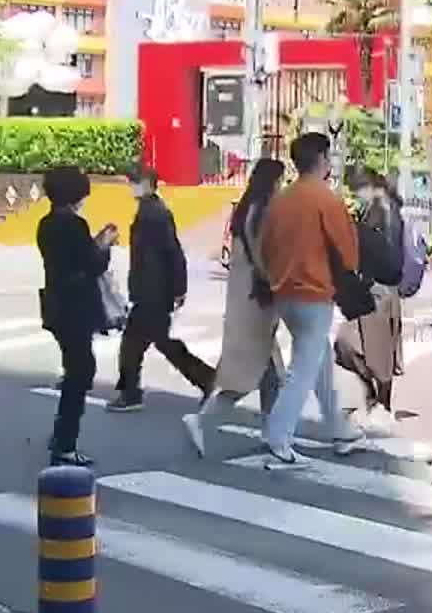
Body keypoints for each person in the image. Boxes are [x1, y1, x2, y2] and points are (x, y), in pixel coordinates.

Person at [258, 133, 363, 467]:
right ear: (321, 158)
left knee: (318, 364)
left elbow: (266, 248)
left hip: (283, 292)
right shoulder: (326, 199)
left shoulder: (281, 200)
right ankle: (278, 435)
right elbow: (348, 252)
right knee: (303, 370)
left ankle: (340, 428)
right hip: (315, 293)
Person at [181, 158, 287, 457]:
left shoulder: (247, 211)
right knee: (245, 377)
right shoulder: (260, 214)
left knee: (272, 375)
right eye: (280, 181)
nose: (282, 187)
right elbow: (263, 261)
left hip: (248, 302)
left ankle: (273, 433)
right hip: (255, 305)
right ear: (271, 182)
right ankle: (202, 420)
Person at [109, 165, 215, 412]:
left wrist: (178, 288)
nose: (131, 186)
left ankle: (131, 394)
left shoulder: (153, 213)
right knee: (152, 344)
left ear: (148, 183)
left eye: (135, 181)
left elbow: (173, 252)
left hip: (152, 291)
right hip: (152, 290)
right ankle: (206, 380)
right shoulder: (152, 210)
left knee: (140, 345)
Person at [37, 166, 119, 466]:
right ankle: (65, 442)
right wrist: (106, 243)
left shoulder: (45, 224)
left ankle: (61, 436)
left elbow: (71, 259)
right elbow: (92, 263)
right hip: (76, 306)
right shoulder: (74, 225)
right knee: (81, 372)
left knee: (75, 369)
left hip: (56, 304)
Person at [334, 167, 405, 436]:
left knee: (373, 351)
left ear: (369, 187)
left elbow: (384, 254)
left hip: (378, 288)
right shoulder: (378, 210)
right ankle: (376, 401)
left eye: (356, 190)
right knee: (355, 346)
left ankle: (382, 406)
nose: (355, 196)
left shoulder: (384, 212)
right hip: (374, 287)